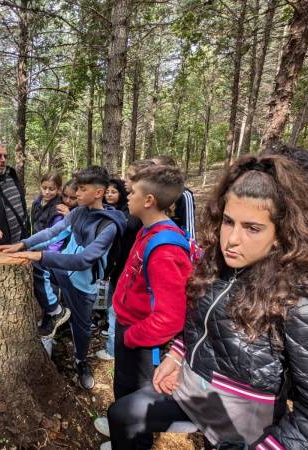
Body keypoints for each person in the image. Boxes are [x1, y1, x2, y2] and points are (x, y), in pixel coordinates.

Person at [104, 155, 308, 450]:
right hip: (194, 392)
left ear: (281, 234)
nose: (232, 239)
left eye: (252, 228)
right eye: (228, 222)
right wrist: (177, 354)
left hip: (243, 422)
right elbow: (194, 319)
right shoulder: (215, 266)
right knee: (123, 415)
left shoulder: (300, 299)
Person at [0, 166, 126, 389]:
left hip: (84, 284)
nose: (76, 194)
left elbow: (85, 259)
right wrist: (22, 244)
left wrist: (39, 254)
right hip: (62, 270)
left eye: (82, 189)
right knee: (39, 269)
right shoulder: (78, 213)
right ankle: (54, 313)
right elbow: (53, 233)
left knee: (81, 326)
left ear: (98, 192)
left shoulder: (109, 225)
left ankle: (80, 361)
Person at [96, 164, 194, 447]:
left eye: (133, 191)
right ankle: (121, 432)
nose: (128, 196)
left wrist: (131, 336)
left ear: (149, 200)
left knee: (137, 398)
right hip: (132, 330)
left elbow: (170, 318)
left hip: (142, 339)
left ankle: (132, 441)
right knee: (124, 388)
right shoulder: (147, 230)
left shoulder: (165, 248)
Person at [95, 178, 129, 361]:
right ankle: (107, 329)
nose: (109, 195)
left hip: (119, 267)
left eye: (113, 192)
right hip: (111, 267)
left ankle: (112, 350)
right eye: (106, 192)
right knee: (106, 301)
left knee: (114, 307)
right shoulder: (110, 212)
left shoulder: (124, 216)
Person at [31, 171, 67, 333]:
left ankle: (54, 314)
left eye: (51, 189)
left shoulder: (58, 209)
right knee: (39, 284)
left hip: (50, 252)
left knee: (50, 285)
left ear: (58, 190)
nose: (47, 192)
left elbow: (57, 235)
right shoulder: (37, 203)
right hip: (36, 247)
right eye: (44, 188)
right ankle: (48, 316)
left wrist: (51, 253)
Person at [152, 155, 196, 239]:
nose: (150, 171)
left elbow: (190, 230)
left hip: (176, 244)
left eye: (154, 168)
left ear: (167, 171)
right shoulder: (151, 193)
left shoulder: (184, 195)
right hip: (156, 242)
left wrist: (188, 248)